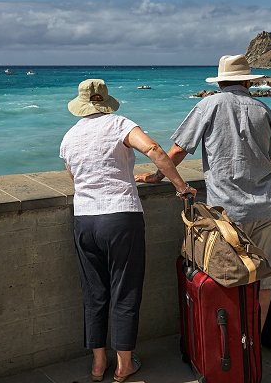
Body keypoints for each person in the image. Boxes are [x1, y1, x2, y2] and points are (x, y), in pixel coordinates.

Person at [135, 54, 271, 330]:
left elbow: (179, 149)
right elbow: (270, 156)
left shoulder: (209, 105)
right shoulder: (263, 109)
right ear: (247, 81)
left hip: (228, 212)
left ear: (220, 82)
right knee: (268, 280)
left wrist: (158, 175)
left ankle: (231, 346)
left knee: (228, 278)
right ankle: (253, 344)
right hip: (269, 206)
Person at [60, 79, 196, 382]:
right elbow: (153, 148)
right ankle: (123, 364)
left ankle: (97, 364)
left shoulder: (69, 137)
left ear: (81, 105)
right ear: (106, 102)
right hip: (121, 217)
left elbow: (76, 176)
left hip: (85, 219)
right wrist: (181, 187)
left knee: (94, 293)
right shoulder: (119, 124)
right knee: (125, 290)